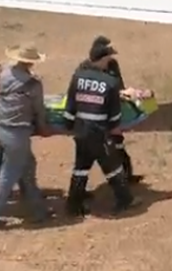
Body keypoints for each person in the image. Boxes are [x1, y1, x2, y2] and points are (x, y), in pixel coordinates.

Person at [0, 43, 59, 230]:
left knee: (28, 166)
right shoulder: (32, 84)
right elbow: (39, 110)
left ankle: (38, 209)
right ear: (31, 63)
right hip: (17, 134)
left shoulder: (5, 74)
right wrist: (44, 128)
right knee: (9, 175)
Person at [63, 43, 141, 218]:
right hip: (98, 132)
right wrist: (114, 130)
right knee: (112, 166)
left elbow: (70, 105)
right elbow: (114, 115)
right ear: (103, 58)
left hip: (81, 130)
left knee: (81, 167)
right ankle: (125, 200)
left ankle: (73, 205)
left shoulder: (78, 76)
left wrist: (69, 125)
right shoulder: (110, 83)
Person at [89, 35, 143, 185]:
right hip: (97, 116)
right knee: (94, 156)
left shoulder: (112, 65)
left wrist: (126, 95)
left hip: (113, 112)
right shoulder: (86, 69)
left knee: (118, 146)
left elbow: (119, 85)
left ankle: (127, 176)